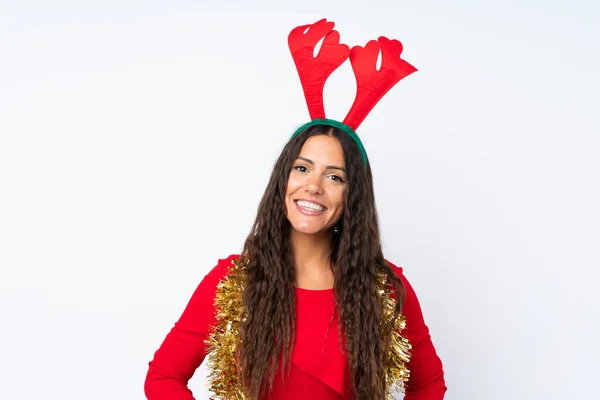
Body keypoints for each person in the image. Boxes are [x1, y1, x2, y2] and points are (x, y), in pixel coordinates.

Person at [144, 18, 446, 400]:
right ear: (283, 180)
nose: (313, 186)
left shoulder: (385, 288)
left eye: (335, 176)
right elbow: (163, 377)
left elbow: (429, 385)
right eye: (302, 168)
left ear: (352, 197)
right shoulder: (233, 281)